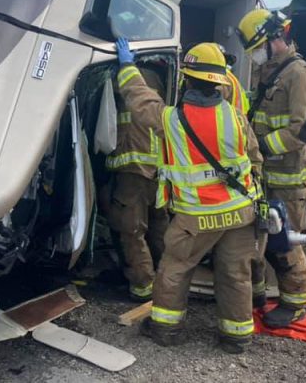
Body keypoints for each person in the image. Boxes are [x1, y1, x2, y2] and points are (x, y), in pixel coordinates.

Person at [115, 38, 263, 354]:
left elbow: (140, 101)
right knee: (235, 273)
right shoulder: (236, 117)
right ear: (220, 82)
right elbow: (254, 158)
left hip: (198, 217)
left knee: (175, 268)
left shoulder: (173, 120)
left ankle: (166, 330)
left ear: (186, 78)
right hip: (241, 212)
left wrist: (127, 66)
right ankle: (236, 336)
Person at [236, 9, 306, 328]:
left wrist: (260, 147)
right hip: (265, 177)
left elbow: (304, 128)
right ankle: (256, 296)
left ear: (276, 38)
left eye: (258, 47)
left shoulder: (300, 74)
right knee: (259, 241)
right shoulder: (271, 72)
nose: (255, 56)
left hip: (289, 181)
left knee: (284, 244)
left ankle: (295, 303)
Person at [105, 65, 169, 302]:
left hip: (133, 168)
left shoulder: (124, 79)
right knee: (158, 224)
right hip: (158, 167)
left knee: (130, 229)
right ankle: (167, 281)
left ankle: (143, 286)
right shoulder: (159, 76)